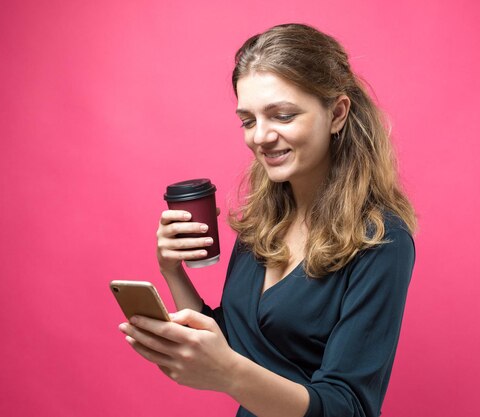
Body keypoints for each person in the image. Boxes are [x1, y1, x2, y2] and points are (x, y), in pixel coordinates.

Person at [119, 23, 417, 417]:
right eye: (248, 120)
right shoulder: (262, 225)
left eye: (282, 115)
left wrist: (229, 374)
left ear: (337, 113)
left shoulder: (381, 240)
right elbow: (233, 347)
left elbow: (348, 407)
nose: (260, 137)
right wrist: (172, 271)